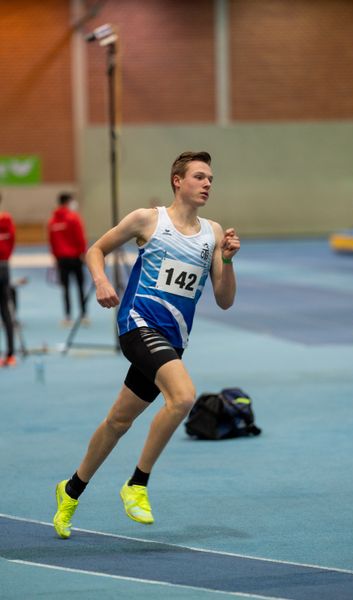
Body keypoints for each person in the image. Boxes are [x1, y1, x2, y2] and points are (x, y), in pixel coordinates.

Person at [53, 151, 240, 539]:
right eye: (199, 177)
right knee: (184, 397)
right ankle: (137, 484)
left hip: (173, 340)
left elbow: (224, 300)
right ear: (178, 180)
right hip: (137, 325)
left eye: (210, 179)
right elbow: (95, 250)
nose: (207, 184)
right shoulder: (148, 219)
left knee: (119, 421)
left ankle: (70, 491)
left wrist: (228, 261)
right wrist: (102, 281)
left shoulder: (213, 233)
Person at [47, 192, 88, 326]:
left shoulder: (52, 221)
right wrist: (83, 253)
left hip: (61, 259)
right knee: (80, 287)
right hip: (75, 258)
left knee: (65, 288)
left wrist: (55, 256)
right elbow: (80, 237)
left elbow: (51, 241)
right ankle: (83, 315)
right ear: (68, 202)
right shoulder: (73, 218)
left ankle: (68, 316)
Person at [0, 193, 16, 367]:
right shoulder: (6, 219)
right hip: (3, 266)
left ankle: (10, 353)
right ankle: (10, 354)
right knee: (6, 310)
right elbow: (11, 241)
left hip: (2, 266)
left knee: (5, 309)